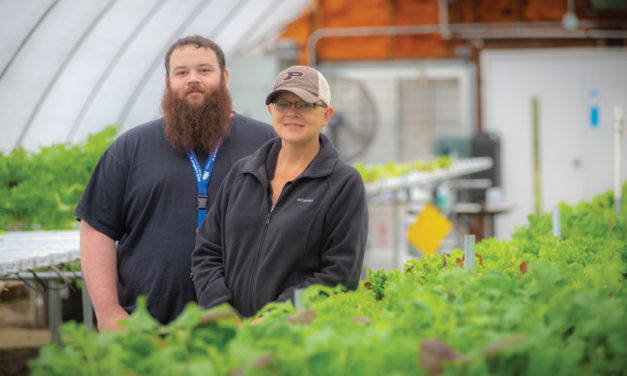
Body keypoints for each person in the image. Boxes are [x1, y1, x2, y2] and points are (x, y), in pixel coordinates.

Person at [75, 36, 276, 330]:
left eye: (204, 70)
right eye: (181, 72)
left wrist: (279, 310)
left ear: (225, 77)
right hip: (147, 329)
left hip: (248, 327)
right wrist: (108, 312)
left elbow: (295, 227)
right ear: (168, 81)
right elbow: (96, 229)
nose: (193, 79)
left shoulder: (266, 144)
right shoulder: (131, 147)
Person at [192, 65, 368, 317]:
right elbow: (207, 250)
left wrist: (274, 318)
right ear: (270, 110)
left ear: (327, 115)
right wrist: (221, 311)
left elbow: (339, 275)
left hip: (294, 338)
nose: (292, 113)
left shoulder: (343, 184)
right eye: (282, 104)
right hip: (231, 335)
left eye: (305, 104)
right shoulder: (242, 173)